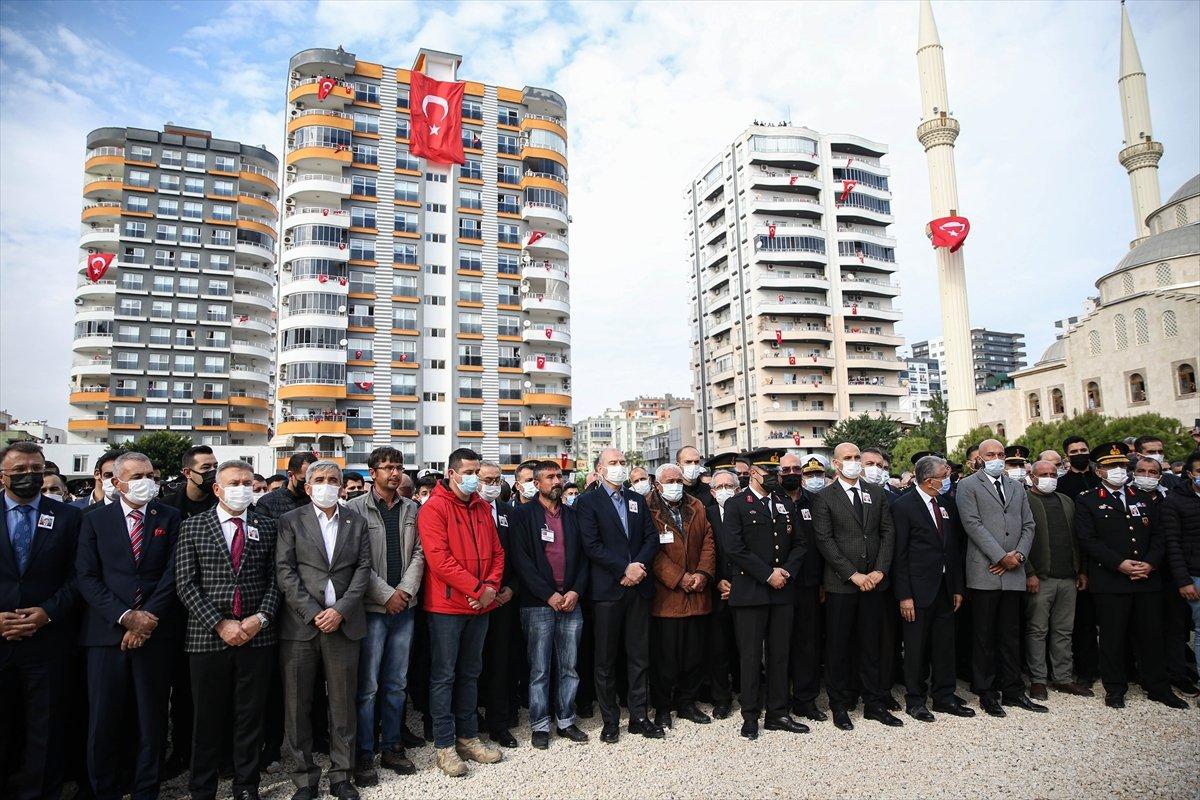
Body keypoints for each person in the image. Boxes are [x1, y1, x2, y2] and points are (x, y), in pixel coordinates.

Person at [75, 452, 182, 800]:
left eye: (151, 474)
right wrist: (125, 617)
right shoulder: (94, 520)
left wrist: (146, 618)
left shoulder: (169, 516)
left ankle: (146, 788)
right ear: (116, 482)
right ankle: (103, 788)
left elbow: (172, 574)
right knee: (103, 719)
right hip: (107, 634)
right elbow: (87, 577)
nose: (146, 481)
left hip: (155, 631)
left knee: (151, 720)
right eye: (137, 475)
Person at [173, 460, 279, 800]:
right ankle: (202, 787)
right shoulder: (194, 526)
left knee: (250, 716)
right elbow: (186, 584)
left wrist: (259, 618)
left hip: (256, 635)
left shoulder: (267, 525)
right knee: (207, 717)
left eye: (248, 482)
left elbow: (277, 581)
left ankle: (246, 785)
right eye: (235, 482)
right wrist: (219, 623)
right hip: (207, 636)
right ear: (217, 489)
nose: (243, 488)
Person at [275, 461, 372, 800]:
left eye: (333, 480)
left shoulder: (356, 522)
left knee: (343, 704)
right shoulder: (290, 521)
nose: (327, 485)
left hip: (344, 625)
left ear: (343, 486)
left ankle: (341, 774)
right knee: (298, 704)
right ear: (307, 486)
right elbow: (285, 572)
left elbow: (363, 570)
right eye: (319, 480)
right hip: (301, 626)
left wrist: (340, 611)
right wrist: (315, 612)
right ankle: (304, 777)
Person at [1074, 443, 1186, 710]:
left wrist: (1149, 564)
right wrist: (1119, 564)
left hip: (1146, 578)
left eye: (1122, 466)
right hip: (1111, 580)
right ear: (1099, 470)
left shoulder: (1144, 496)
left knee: (1151, 635)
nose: (1118, 471)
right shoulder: (1088, 498)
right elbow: (1088, 539)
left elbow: (1160, 536)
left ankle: (1158, 687)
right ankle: (1115, 688)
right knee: (1113, 638)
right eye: (1112, 467)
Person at [0, 442, 83, 800]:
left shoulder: (68, 517)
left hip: (47, 639)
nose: (28, 476)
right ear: (2, 475)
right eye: (19, 470)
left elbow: (80, 576)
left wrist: (48, 611)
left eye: (36, 468)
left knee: (44, 728)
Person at [417, 448, 505, 777]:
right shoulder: (434, 508)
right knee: (444, 677)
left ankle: (468, 736)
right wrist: (478, 590)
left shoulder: (482, 507)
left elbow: (497, 552)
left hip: (480, 605)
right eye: (468, 472)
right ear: (451, 473)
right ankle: (444, 745)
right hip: (447, 607)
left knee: (470, 674)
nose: (473, 478)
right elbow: (439, 560)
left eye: (476, 471)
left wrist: (490, 589)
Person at [346, 448, 423, 784]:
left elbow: (420, 554)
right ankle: (364, 752)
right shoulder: (354, 510)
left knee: (396, 683)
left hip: (405, 607)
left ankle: (392, 745)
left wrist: (404, 592)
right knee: (368, 686)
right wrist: (385, 595)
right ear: (371, 472)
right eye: (387, 467)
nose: (394, 473)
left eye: (398, 467)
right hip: (372, 609)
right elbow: (355, 560)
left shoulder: (412, 508)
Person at [576, 447, 662, 743]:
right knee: (606, 659)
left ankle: (639, 716)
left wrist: (638, 567)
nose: (619, 467)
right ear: (599, 469)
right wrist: (623, 568)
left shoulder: (637, 499)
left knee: (639, 656)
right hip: (607, 591)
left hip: (638, 588)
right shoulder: (587, 503)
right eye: (613, 463)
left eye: (623, 462)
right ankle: (610, 719)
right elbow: (591, 545)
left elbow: (652, 538)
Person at [812, 442, 900, 730]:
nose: (854, 462)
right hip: (842, 585)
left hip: (873, 583)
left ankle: (874, 702)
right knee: (839, 647)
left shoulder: (875, 493)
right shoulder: (825, 497)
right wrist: (853, 574)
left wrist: (879, 571)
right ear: (836, 464)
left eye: (857, 457)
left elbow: (887, 533)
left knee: (871, 644)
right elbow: (825, 541)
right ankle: (840, 704)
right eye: (847, 458)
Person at [955, 439, 1043, 716]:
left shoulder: (1017, 487)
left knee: (1010, 634)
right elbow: (972, 524)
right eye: (990, 454)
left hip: (1014, 571)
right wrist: (999, 556)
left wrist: (1017, 556)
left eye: (1000, 454)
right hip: (985, 570)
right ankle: (987, 691)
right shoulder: (968, 486)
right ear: (979, 458)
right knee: (984, 635)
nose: (996, 458)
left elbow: (1029, 524)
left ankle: (1014, 690)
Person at [724, 448, 808, 739]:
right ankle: (750, 715)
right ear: (754, 472)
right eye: (770, 473)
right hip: (751, 592)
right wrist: (767, 574)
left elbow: (800, 543)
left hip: (782, 591)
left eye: (778, 473)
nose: (775, 478)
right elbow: (734, 548)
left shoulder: (785, 502)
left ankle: (777, 712)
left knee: (779, 654)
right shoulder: (737, 504)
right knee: (750, 657)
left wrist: (786, 571)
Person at [510, 460, 590, 749]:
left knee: (569, 666)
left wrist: (575, 592)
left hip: (571, 601)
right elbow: (522, 562)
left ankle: (566, 720)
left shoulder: (573, 515)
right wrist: (548, 595)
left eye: (559, 476)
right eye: (550, 477)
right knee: (540, 669)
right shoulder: (522, 515)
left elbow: (583, 559)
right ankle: (540, 724)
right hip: (537, 604)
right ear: (538, 483)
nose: (557, 481)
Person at [892, 456, 973, 721]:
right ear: (929, 480)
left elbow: (953, 550)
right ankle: (915, 699)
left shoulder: (946, 504)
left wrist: (957, 587)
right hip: (917, 591)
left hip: (945, 588)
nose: (947, 478)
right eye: (943, 474)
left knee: (944, 645)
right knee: (916, 648)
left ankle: (944, 696)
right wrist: (904, 595)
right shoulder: (903, 506)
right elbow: (899, 555)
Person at [646, 463, 716, 729]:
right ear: (658, 484)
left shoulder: (696, 505)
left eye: (678, 479)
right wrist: (679, 578)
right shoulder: (647, 507)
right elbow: (650, 550)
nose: (675, 484)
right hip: (667, 598)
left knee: (694, 655)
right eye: (669, 480)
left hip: (697, 594)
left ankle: (687, 702)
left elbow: (709, 541)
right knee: (666, 658)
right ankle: (663, 707)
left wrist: (702, 573)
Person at [1022, 460, 1092, 700]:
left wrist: (1081, 570)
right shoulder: (1025, 501)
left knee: (1064, 630)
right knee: (1037, 629)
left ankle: (1063, 677)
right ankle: (1038, 679)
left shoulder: (1066, 501)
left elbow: (1077, 538)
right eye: (1044, 474)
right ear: (1032, 476)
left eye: (1053, 474)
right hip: (1041, 578)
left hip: (1068, 577)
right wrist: (1029, 572)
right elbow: (1021, 540)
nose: (1049, 477)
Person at [476, 461, 521, 749]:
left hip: (503, 599)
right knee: (473, 663)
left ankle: (498, 722)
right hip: (475, 598)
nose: (493, 484)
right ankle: (469, 719)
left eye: (497, 480)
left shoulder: (506, 511)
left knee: (501, 661)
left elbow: (518, 554)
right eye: (487, 479)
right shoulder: (467, 509)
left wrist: (511, 588)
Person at [782, 454, 827, 722]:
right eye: (785, 469)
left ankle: (806, 699)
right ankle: (779, 697)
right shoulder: (773, 500)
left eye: (796, 469)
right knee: (779, 645)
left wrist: (821, 580)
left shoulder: (816, 502)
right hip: (780, 583)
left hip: (809, 583)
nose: (791, 473)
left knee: (807, 644)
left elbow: (822, 544)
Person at [1161, 449, 1200, 704]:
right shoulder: (1176, 501)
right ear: (1189, 474)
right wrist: (1184, 580)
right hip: (1194, 575)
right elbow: (1172, 543)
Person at [703, 466, 740, 719]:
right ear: (712, 491)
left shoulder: (748, 511)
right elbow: (702, 551)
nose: (724, 491)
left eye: (730, 486)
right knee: (718, 649)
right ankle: (722, 698)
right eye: (719, 487)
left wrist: (740, 582)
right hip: (716, 591)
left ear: (738, 490)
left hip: (745, 589)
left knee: (745, 647)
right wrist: (716, 580)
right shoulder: (705, 515)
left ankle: (747, 692)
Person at [161, 445, 219, 520]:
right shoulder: (167, 506)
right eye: (206, 467)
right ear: (187, 473)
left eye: (215, 466)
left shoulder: (223, 502)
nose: (213, 471)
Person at [256, 452, 318, 520]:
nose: (308, 484)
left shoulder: (318, 500)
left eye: (316, 480)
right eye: (304, 479)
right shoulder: (267, 503)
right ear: (290, 475)